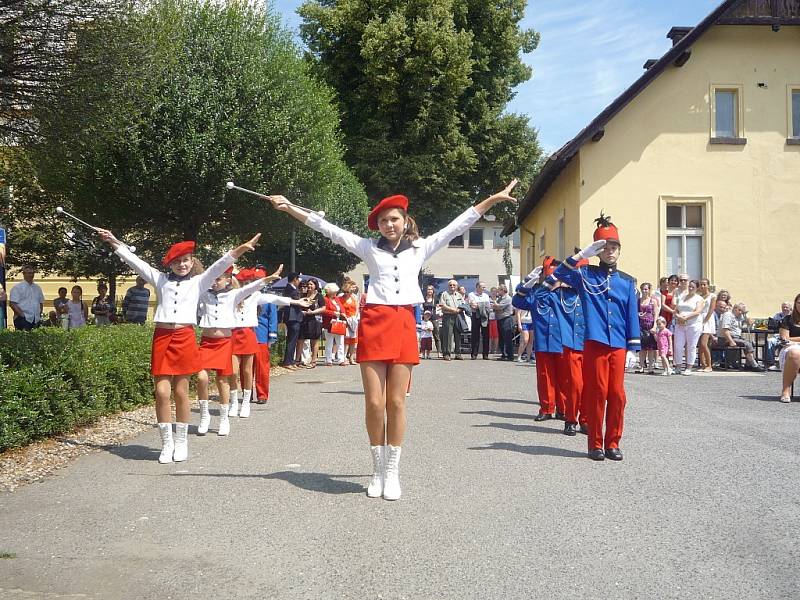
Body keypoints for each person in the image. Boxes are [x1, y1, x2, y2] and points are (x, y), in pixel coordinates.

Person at [265, 180, 518, 500]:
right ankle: (376, 469)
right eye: (383, 220)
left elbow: (460, 224)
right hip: (374, 322)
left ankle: (392, 471)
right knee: (373, 401)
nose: (389, 224)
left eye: (394, 218)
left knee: (396, 401)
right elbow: (327, 228)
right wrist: (289, 207)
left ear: (405, 220)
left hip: (402, 322)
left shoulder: (422, 246)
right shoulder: (367, 247)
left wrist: (492, 200)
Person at [98, 228, 260, 463]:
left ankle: (182, 441)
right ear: (170, 264)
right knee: (162, 392)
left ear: (191, 261)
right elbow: (134, 261)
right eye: (177, 261)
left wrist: (241, 249)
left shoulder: (198, 282)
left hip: (184, 337)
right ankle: (167, 443)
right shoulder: (160, 279)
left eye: (185, 260)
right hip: (162, 337)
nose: (182, 265)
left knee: (182, 392)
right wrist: (114, 241)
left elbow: (220, 264)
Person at [544, 213, 640, 461]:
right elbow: (556, 276)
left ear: (620, 251)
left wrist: (633, 348)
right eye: (605, 247)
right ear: (598, 251)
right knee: (597, 392)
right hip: (595, 342)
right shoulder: (586, 275)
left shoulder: (628, 281)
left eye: (614, 247)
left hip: (618, 343)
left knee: (617, 395)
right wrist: (581, 255)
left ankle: (613, 443)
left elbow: (631, 315)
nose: (610, 251)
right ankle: (595, 443)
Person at [196, 266, 278, 436]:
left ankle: (228, 415)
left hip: (228, 340)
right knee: (201, 377)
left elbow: (260, 291)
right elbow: (195, 282)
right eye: (213, 278)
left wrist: (270, 278)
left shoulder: (236, 295)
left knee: (224, 379)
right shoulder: (204, 293)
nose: (214, 282)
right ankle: (205, 415)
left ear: (228, 279)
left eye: (218, 278)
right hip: (207, 342)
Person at [513, 258, 564, 422]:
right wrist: (528, 281)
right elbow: (517, 300)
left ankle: (563, 409)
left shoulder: (567, 294)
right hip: (543, 342)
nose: (552, 282)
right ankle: (547, 408)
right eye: (549, 277)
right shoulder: (537, 295)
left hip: (563, 341)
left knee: (564, 378)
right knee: (545, 377)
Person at [714, 302, 764, 371]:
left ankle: (748, 364)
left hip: (736, 337)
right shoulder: (728, 315)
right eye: (740, 310)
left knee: (751, 342)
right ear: (735, 309)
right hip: (725, 339)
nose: (741, 313)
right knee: (747, 344)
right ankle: (754, 365)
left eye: (742, 311)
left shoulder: (740, 316)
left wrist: (748, 321)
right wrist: (731, 341)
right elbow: (725, 330)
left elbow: (743, 326)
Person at [672, 279, 705, 375]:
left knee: (691, 346)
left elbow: (698, 311)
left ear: (697, 288)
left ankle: (689, 367)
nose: (690, 288)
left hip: (693, 325)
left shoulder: (699, 299)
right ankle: (678, 366)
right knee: (678, 345)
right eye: (689, 286)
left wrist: (686, 317)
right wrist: (678, 316)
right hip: (680, 324)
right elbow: (676, 309)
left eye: (693, 287)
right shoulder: (682, 297)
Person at [777, 293, 800, 403]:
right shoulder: (788, 319)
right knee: (795, 353)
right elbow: (784, 338)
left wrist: (793, 339)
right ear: (795, 304)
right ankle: (786, 390)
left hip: (793, 343)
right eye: (799, 303)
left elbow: (790, 338)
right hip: (790, 348)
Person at [298, 278, 325, 368]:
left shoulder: (319, 296)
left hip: (315, 320)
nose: (309, 286)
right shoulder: (303, 295)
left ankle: (313, 361)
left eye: (311, 284)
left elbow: (323, 308)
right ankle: (298, 360)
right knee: (301, 339)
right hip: (304, 319)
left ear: (315, 286)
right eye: (308, 284)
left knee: (314, 340)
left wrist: (313, 312)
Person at [9, 264, 44, 330]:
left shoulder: (37, 288)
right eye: (29, 273)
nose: (31, 275)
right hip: (22, 319)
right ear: (24, 274)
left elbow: (41, 302)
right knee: (23, 339)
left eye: (32, 273)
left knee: (34, 339)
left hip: (36, 319)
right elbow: (12, 304)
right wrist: (22, 315)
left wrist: (39, 314)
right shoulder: (17, 288)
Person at [281, 272, 304, 369]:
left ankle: (290, 360)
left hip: (294, 316)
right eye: (298, 280)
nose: (299, 282)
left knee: (293, 339)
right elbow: (296, 298)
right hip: (292, 316)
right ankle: (287, 361)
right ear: (295, 279)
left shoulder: (293, 289)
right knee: (291, 339)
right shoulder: (290, 289)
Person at [321, 282, 346, 366]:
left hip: (339, 323)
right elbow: (324, 310)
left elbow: (342, 308)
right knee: (329, 342)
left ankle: (341, 359)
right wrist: (334, 313)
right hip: (329, 323)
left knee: (340, 342)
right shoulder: (325, 299)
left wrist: (343, 313)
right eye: (334, 291)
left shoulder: (336, 299)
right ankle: (328, 359)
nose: (335, 293)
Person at [439, 279, 464, 361]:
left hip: (458, 316)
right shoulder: (444, 294)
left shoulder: (459, 295)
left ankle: (458, 353)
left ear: (457, 286)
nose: (452, 286)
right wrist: (453, 310)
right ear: (448, 286)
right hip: (448, 316)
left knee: (458, 335)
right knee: (447, 335)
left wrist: (459, 310)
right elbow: (442, 305)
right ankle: (446, 354)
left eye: (454, 285)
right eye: (450, 285)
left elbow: (463, 305)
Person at [637, 282, 659, 374]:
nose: (644, 291)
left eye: (646, 289)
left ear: (649, 290)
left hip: (650, 324)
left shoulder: (653, 301)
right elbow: (635, 312)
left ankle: (650, 367)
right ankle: (641, 366)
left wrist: (655, 325)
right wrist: (638, 314)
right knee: (642, 348)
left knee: (650, 348)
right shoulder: (638, 300)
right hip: (640, 324)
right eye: (642, 289)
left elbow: (656, 313)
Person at [697, 278, 717, 372]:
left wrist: (705, 320)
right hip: (699, 319)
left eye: (704, 284)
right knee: (700, 345)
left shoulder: (712, 296)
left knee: (704, 344)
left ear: (708, 285)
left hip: (707, 320)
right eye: (701, 284)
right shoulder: (699, 296)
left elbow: (711, 310)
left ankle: (709, 365)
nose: (702, 286)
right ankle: (703, 364)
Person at [467, 281, 491, 360]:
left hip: (485, 316)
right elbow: (473, 306)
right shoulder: (471, 294)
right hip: (475, 316)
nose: (484, 289)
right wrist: (483, 305)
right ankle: (474, 354)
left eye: (484, 287)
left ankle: (485, 354)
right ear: (477, 287)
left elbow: (488, 307)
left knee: (486, 335)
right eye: (482, 287)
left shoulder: (486, 295)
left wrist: (479, 305)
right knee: (475, 335)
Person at [340, 278, 360, 365]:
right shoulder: (340, 297)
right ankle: (343, 357)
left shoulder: (354, 298)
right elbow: (339, 308)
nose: (348, 293)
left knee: (353, 340)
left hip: (353, 320)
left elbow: (357, 308)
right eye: (347, 291)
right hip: (345, 319)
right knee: (346, 339)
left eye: (350, 291)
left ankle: (351, 358)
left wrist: (355, 317)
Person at [492, 285, 515, 361]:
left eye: (499, 290)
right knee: (501, 338)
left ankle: (510, 355)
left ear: (503, 290)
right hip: (499, 319)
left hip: (506, 319)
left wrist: (494, 300)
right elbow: (495, 308)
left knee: (507, 338)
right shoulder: (500, 298)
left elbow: (498, 307)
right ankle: (503, 354)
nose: (498, 292)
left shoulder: (508, 298)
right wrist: (497, 307)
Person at [421, 285, 441, 357]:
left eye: (431, 289)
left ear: (433, 291)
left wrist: (439, 315)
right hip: (425, 318)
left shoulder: (435, 299)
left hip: (434, 318)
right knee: (423, 335)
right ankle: (422, 352)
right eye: (428, 289)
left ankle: (439, 352)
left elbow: (439, 308)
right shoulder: (423, 299)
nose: (429, 291)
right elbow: (421, 308)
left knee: (436, 335)